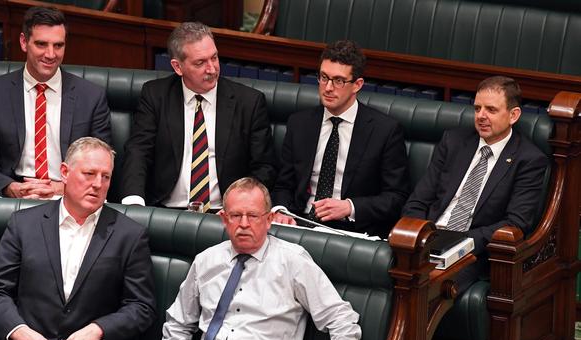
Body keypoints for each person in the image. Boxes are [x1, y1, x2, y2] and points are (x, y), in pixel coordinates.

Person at [0, 137, 156, 340]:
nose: (98, 184)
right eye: (89, 174)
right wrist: (19, 331)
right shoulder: (24, 224)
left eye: (106, 177)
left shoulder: (129, 234)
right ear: (64, 172)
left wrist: (99, 330)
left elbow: (142, 306)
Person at [161, 177, 361, 340]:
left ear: (269, 219)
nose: (244, 224)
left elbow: (339, 317)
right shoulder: (206, 260)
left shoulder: (292, 260)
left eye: (253, 216)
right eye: (236, 215)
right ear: (223, 218)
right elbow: (179, 322)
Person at [403, 76, 549, 290]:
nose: (481, 116)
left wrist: (460, 241)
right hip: (428, 239)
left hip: (474, 251)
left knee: (424, 287)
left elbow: (516, 223)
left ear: (513, 115)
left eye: (491, 110)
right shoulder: (453, 141)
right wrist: (419, 237)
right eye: (477, 108)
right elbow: (417, 200)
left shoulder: (528, 159)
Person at [120, 22, 277, 212]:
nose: (212, 69)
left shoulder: (249, 103)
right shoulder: (156, 95)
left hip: (224, 214)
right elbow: (138, 151)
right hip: (165, 210)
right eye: (200, 63)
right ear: (178, 67)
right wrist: (134, 202)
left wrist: (239, 209)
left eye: (214, 58)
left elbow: (264, 168)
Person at [271, 40, 410, 237]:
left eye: (338, 81)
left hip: (350, 232)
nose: (328, 88)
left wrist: (350, 207)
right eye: (323, 77)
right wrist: (282, 211)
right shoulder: (299, 123)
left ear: (357, 85)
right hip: (299, 223)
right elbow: (284, 184)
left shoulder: (384, 131)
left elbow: (397, 198)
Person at [0, 6, 112, 199]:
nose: (51, 54)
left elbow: (102, 165)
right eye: (41, 44)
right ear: (23, 42)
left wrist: (62, 187)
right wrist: (11, 188)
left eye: (58, 45)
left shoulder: (91, 97)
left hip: (68, 198)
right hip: (14, 198)